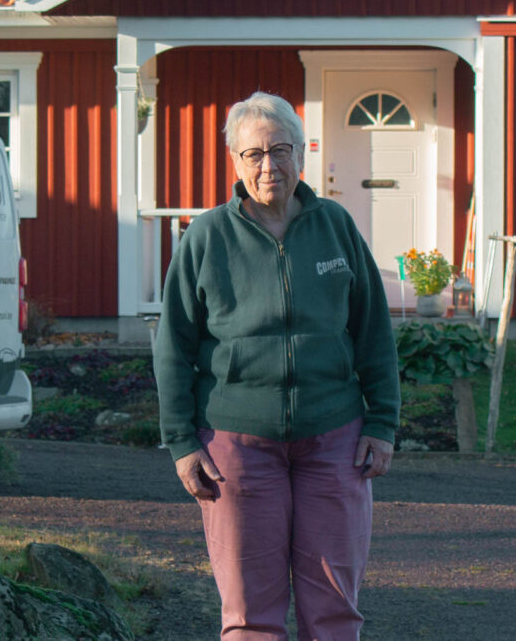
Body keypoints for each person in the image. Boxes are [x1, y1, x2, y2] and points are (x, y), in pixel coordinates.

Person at [155, 91, 400, 640]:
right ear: (236, 163)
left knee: (335, 608)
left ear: (301, 154)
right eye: (253, 154)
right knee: (249, 614)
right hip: (236, 445)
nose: (268, 165)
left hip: (333, 438)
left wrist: (382, 424)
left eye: (280, 150)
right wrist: (181, 443)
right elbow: (172, 343)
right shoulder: (207, 237)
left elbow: (374, 333)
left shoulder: (335, 226)